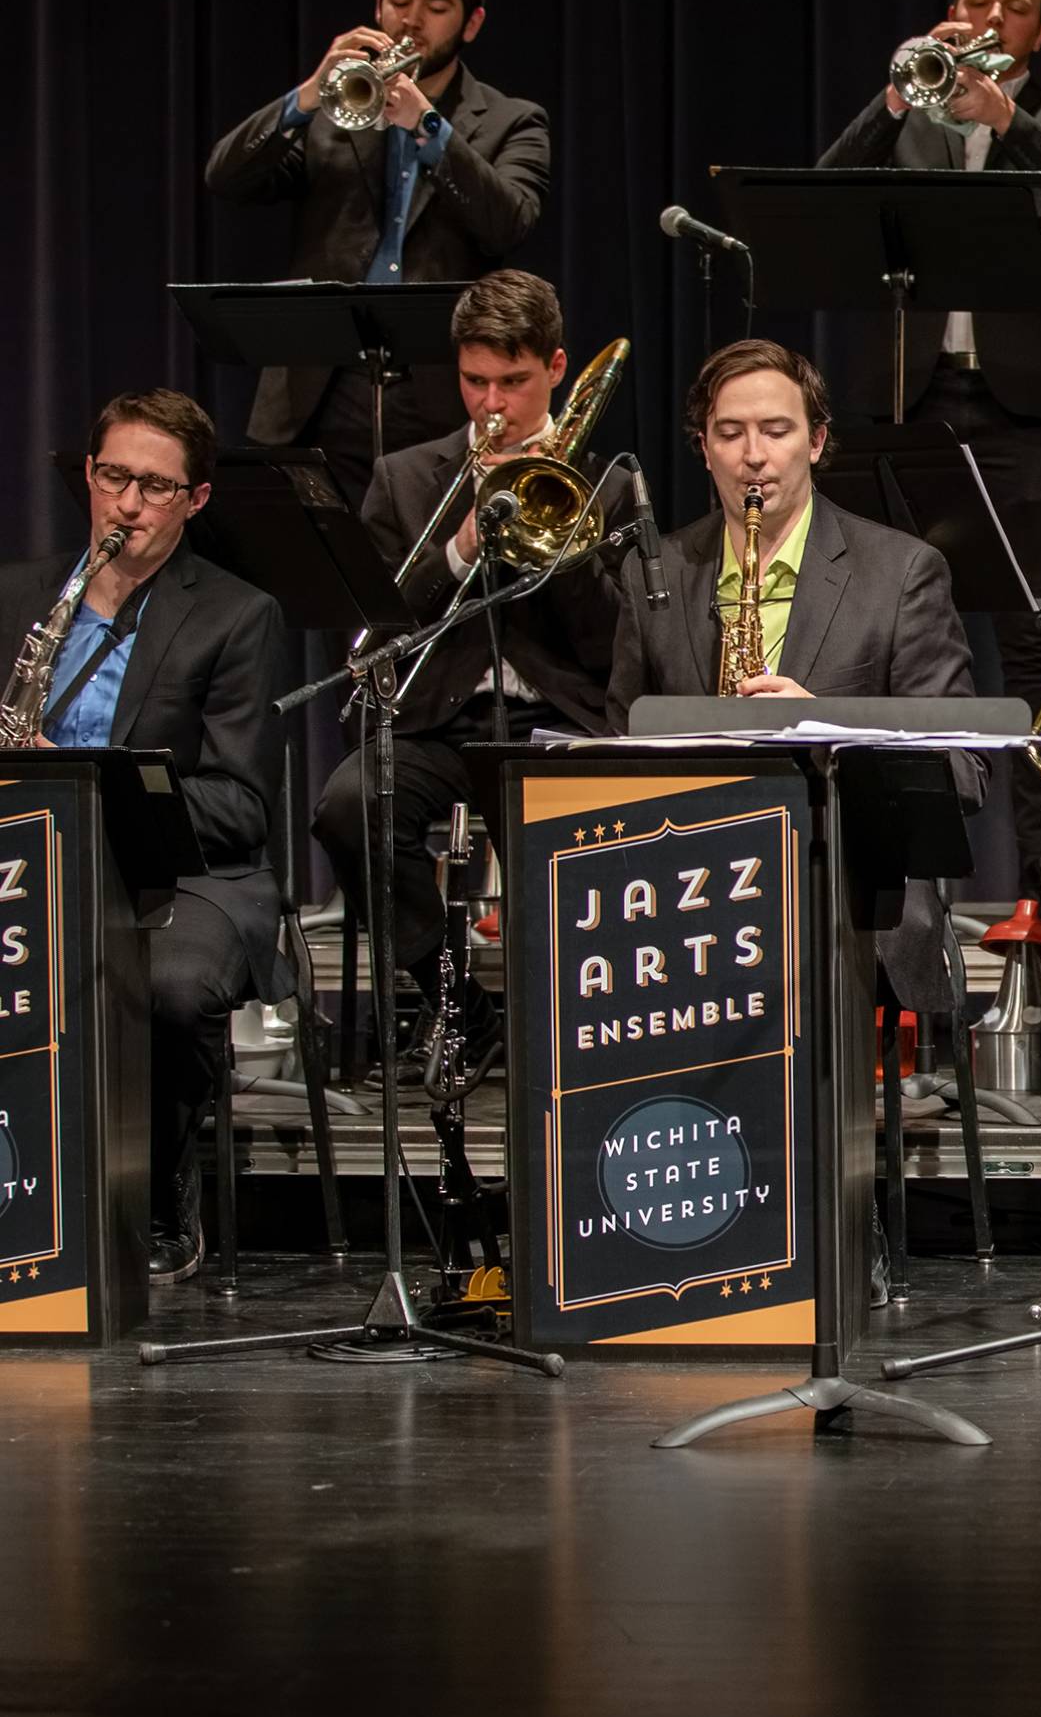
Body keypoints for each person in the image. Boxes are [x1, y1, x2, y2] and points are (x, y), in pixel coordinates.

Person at [819, 0, 1041, 917]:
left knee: (1038, 649)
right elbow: (824, 193)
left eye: (1013, 8)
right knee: (883, 638)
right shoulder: (910, 115)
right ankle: (894, 883)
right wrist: (897, 97)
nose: (992, 20)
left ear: (1038, 29)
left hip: (1023, 414)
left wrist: (1012, 122)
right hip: (904, 401)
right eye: (977, 2)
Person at [606, 340, 983, 1030]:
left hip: (849, 881)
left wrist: (832, 727)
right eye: (731, 433)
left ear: (816, 442)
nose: (754, 454)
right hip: (692, 880)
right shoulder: (652, 573)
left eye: (776, 431)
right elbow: (618, 743)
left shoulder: (902, 572)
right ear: (704, 447)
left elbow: (962, 770)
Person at [0, 392, 288, 1278]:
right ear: (87, 475)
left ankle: (163, 1199)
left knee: (165, 987)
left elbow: (240, 805)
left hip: (180, 878)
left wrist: (89, 783)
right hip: (24, 861)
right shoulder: (17, 593)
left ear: (195, 500)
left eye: (156, 488)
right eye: (115, 477)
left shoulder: (237, 615)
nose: (128, 505)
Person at [313, 272, 618, 1082]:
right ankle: (459, 1007)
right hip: (438, 721)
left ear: (556, 368)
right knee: (350, 804)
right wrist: (458, 548)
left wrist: (567, 551)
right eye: (475, 380)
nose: (492, 404)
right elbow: (378, 625)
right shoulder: (407, 477)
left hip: (557, 718)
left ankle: (579, 1031)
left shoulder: (608, 479)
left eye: (513, 383)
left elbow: (613, 644)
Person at [202, 0, 551, 501]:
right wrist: (307, 96)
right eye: (399, 2)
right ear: (378, 5)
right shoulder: (332, 111)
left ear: (472, 23)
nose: (411, 23)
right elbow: (226, 176)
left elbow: (508, 221)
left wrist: (429, 125)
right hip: (319, 385)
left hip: (436, 389)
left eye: (436, 7)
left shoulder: (514, 121)